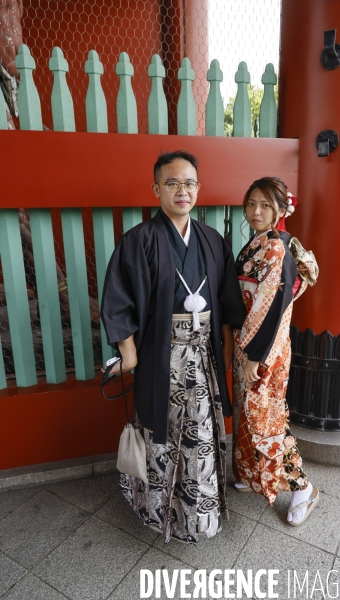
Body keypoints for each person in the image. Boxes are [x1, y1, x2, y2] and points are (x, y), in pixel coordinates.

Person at [100, 150, 246, 544]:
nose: (183, 191)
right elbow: (118, 300)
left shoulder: (213, 241)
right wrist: (129, 354)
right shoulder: (139, 240)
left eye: (190, 183)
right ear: (156, 189)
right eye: (172, 183)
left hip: (204, 357)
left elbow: (229, 306)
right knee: (160, 436)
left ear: (199, 188)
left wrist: (233, 358)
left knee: (200, 439)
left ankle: (200, 517)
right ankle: (161, 513)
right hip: (162, 357)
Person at [232, 176, 319, 527]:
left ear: (281, 210)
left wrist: (255, 355)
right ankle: (252, 474)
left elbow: (273, 304)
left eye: (265, 205)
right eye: (251, 203)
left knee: (267, 419)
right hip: (252, 346)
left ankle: (302, 487)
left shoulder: (277, 248)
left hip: (264, 350)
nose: (256, 211)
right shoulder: (257, 243)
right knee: (251, 414)